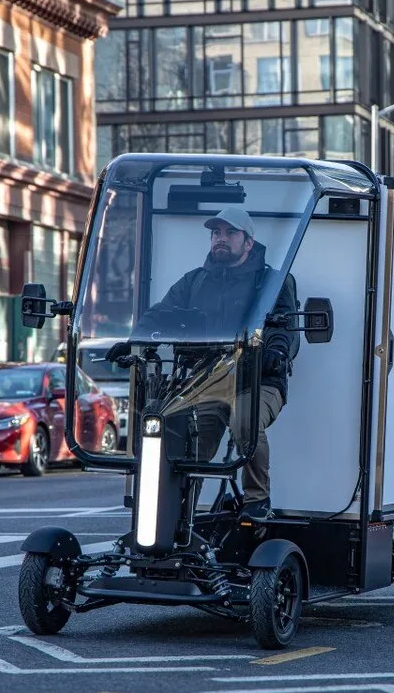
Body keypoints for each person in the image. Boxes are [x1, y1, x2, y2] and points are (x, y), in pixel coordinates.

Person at [122, 206, 299, 520]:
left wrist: (277, 353)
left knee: (245, 420)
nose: (221, 239)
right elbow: (160, 313)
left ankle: (257, 502)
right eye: (216, 233)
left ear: (248, 242)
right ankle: (175, 514)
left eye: (230, 233)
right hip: (211, 380)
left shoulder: (272, 282)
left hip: (259, 381)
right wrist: (132, 340)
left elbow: (284, 327)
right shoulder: (194, 282)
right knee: (191, 440)